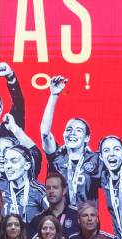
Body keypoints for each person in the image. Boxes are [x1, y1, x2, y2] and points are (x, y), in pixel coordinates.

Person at [40, 75, 102, 206]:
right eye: (69, 129)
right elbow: (45, 133)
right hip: (59, 221)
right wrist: (54, 95)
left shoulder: (96, 160)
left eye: (78, 130)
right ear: (63, 134)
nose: (72, 133)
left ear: (87, 138)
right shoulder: (56, 156)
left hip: (86, 222)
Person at [29, 172, 80, 239]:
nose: (51, 191)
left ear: (64, 191)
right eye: (48, 188)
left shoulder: (76, 215)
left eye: (55, 187)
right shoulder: (37, 220)